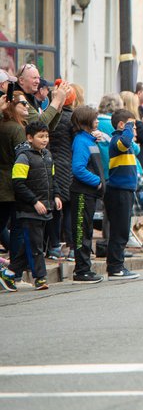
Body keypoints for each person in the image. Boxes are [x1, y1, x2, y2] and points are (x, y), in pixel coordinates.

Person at [1, 121, 57, 291]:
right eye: (41, 136)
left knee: (30, 245)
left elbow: (52, 180)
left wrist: (57, 196)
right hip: (29, 210)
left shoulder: (47, 155)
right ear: (29, 138)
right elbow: (18, 184)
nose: (45, 139)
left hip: (45, 208)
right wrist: (34, 201)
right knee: (36, 246)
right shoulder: (23, 157)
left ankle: (9, 273)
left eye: (46, 136)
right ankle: (40, 278)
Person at [68, 106, 105, 284]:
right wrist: (96, 181)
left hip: (89, 194)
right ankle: (81, 270)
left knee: (87, 230)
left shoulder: (89, 139)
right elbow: (78, 168)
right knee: (81, 231)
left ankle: (85, 268)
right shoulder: (81, 141)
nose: (97, 121)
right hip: (83, 193)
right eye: (94, 118)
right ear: (85, 122)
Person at [104, 109, 141, 280]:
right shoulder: (117, 141)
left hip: (125, 191)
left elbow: (133, 144)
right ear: (122, 125)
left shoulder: (125, 142)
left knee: (122, 230)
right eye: (132, 126)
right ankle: (115, 267)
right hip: (118, 191)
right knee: (120, 230)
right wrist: (128, 127)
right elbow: (126, 141)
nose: (134, 131)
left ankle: (117, 265)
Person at [47, 83, 82, 259]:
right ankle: (72, 246)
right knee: (68, 207)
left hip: (50, 164)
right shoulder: (72, 120)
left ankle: (53, 245)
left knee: (54, 207)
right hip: (67, 165)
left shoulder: (50, 116)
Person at [0, 92, 25, 256]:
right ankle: (15, 268)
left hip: (5, 184)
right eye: (22, 103)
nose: (27, 106)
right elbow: (22, 157)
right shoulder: (15, 128)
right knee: (17, 228)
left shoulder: (3, 125)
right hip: (13, 184)